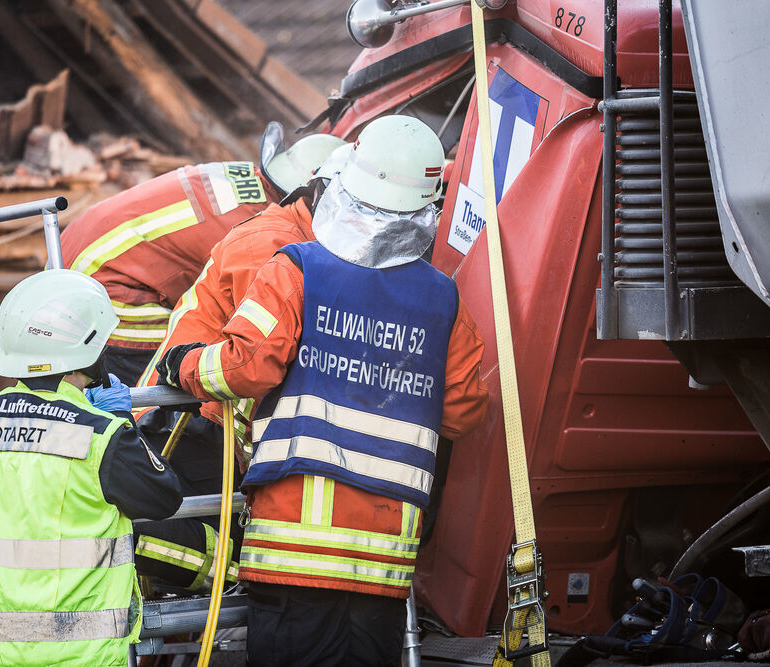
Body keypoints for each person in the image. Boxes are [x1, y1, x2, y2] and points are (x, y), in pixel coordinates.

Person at [154, 115, 489, 666]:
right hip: (385, 559)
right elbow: (462, 413)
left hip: (293, 548)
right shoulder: (443, 301)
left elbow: (247, 366)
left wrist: (184, 366)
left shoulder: (296, 269)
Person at [129, 142, 353, 593]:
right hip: (190, 420)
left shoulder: (300, 241)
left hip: (208, 417)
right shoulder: (272, 248)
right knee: (243, 558)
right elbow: (257, 362)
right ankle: (250, 578)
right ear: (320, 192)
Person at [0, 269, 183, 666]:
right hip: (76, 657)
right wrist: (123, 423)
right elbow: (164, 497)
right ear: (88, 353)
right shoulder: (100, 436)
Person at [60, 124, 345, 385]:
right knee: (181, 359)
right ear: (314, 192)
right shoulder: (264, 229)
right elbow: (256, 331)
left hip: (75, 258)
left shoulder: (243, 175)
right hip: (106, 289)